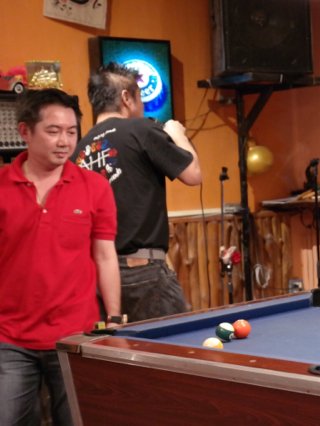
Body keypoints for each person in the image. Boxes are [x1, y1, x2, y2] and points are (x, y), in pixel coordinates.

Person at [0, 88, 121, 425]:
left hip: (76, 333)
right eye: (53, 131)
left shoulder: (95, 186)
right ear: (25, 131)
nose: (64, 141)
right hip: (8, 337)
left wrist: (114, 318)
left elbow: (105, 256)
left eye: (71, 132)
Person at [72, 62, 202, 322]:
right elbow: (194, 175)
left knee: (118, 347)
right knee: (174, 345)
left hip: (98, 275)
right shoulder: (141, 129)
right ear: (126, 97)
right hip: (144, 270)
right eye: (140, 97)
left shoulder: (78, 150)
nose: (142, 105)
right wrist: (177, 134)